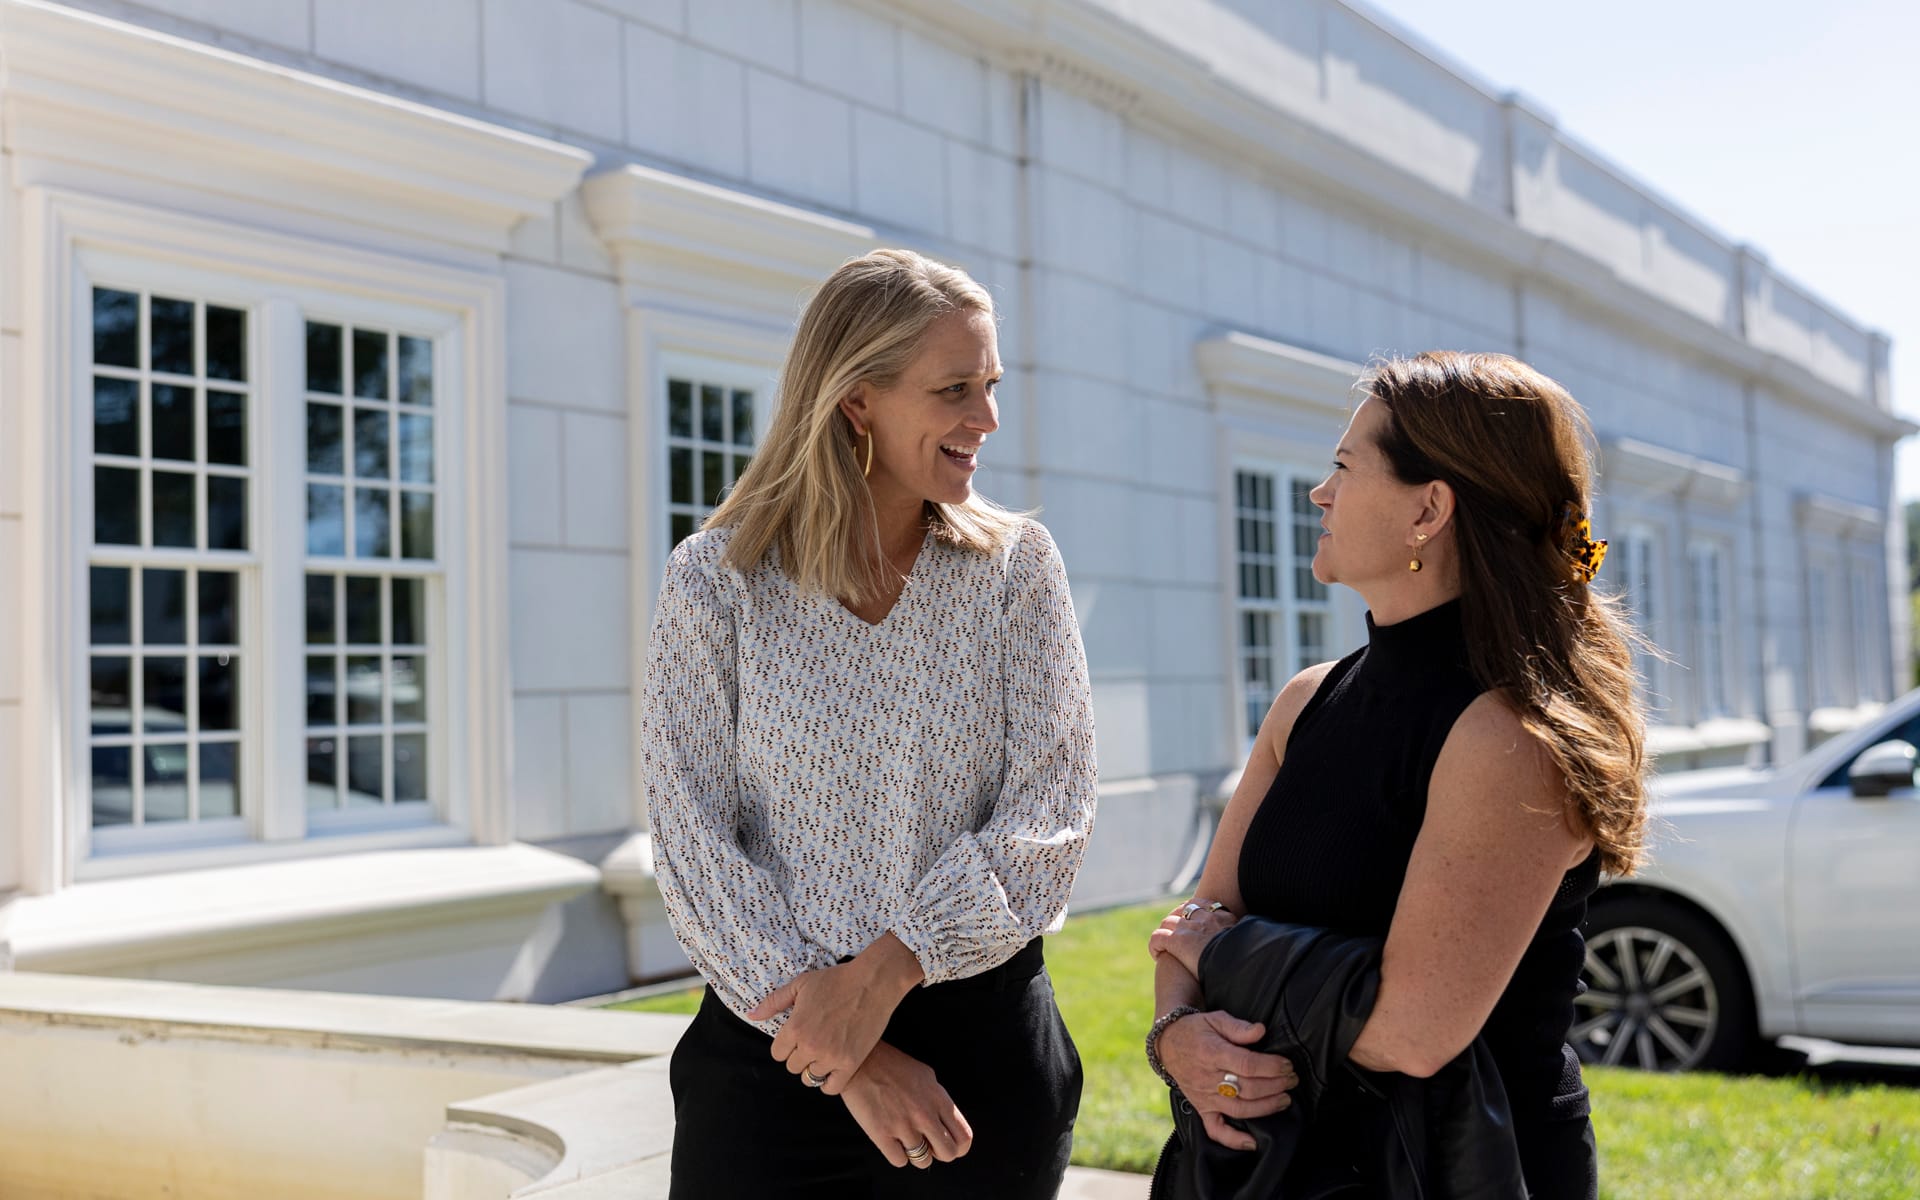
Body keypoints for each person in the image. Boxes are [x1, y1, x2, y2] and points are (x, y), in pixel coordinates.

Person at [642, 248, 1096, 1198]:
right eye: (955, 389)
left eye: (991, 385)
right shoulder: (717, 582)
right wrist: (846, 1054)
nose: (987, 418)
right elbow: (691, 840)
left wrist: (886, 975)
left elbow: (1051, 815)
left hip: (982, 1076)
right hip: (770, 1070)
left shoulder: (1016, 570)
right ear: (857, 400)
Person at [1145, 351, 1648, 1199]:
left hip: (1457, 1172)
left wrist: (1221, 954)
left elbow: (1411, 1030)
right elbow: (1191, 925)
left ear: (1428, 509)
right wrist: (1177, 1035)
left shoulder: (1510, 736)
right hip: (1275, 1167)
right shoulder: (1306, 701)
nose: (1320, 493)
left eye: (1344, 467)